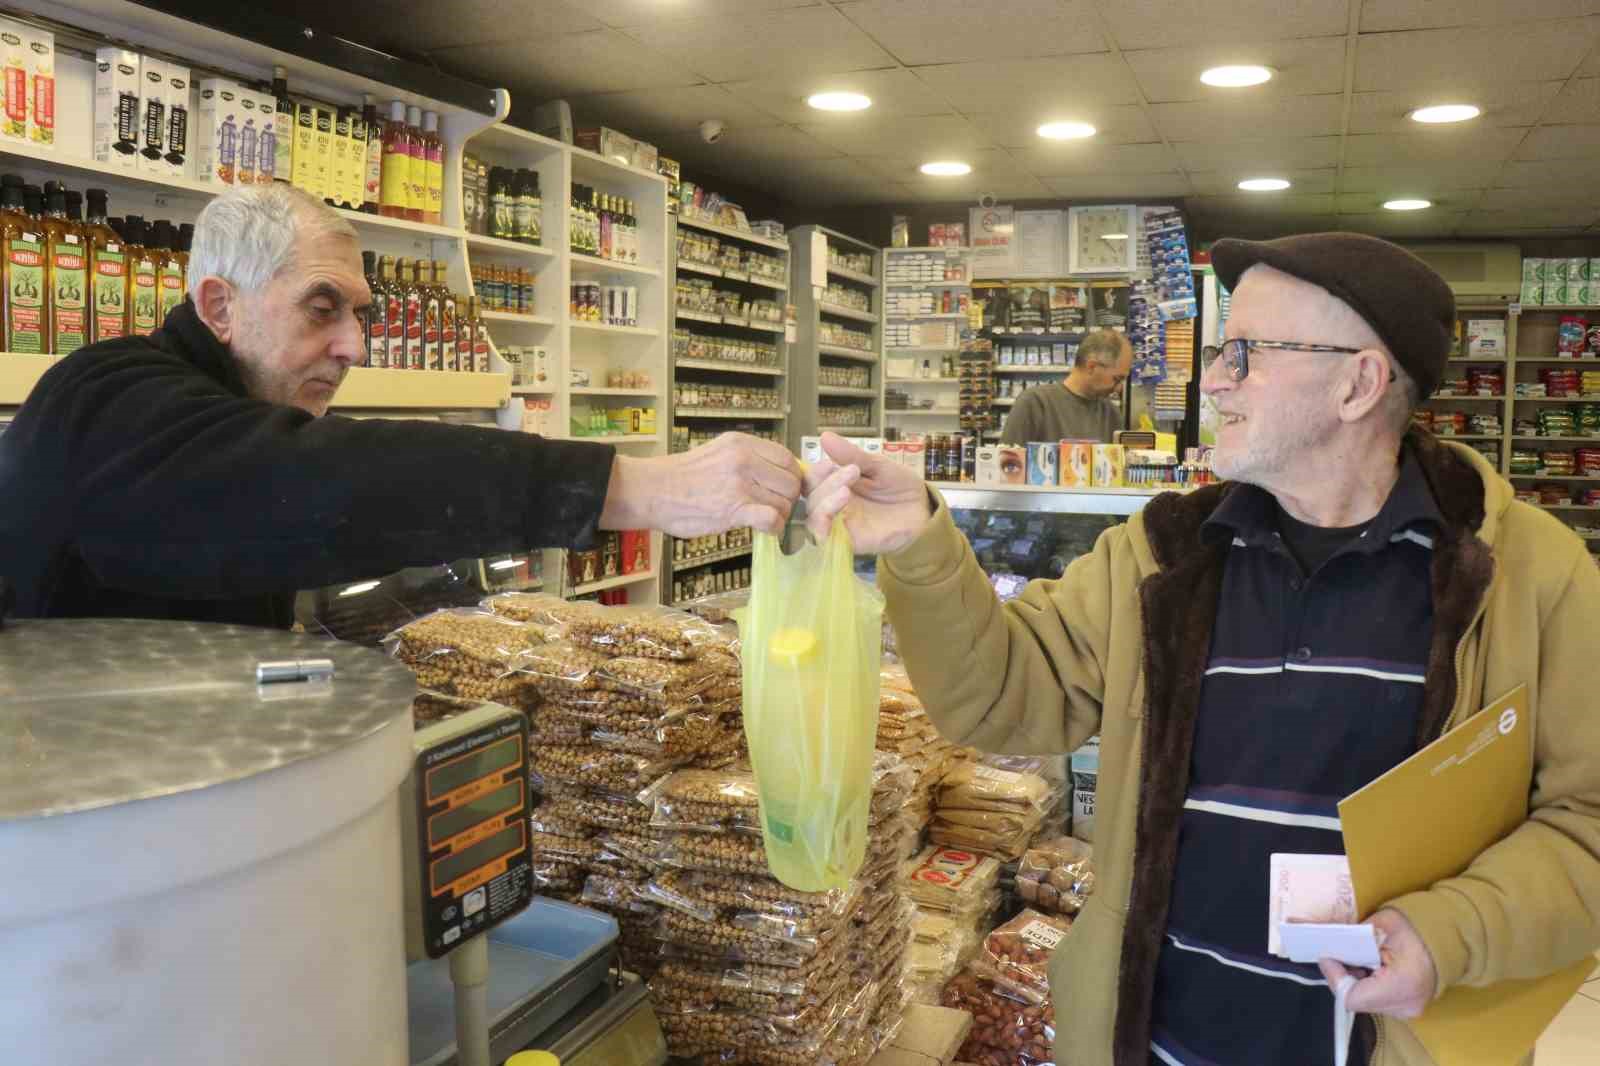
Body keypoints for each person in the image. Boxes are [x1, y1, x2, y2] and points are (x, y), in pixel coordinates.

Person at [803, 233, 1600, 1066]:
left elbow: (1587, 821)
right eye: (1222, 352)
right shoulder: (1162, 556)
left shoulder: (1526, 577)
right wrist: (920, 543)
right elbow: (999, 696)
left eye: (1246, 353)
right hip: (1157, 1042)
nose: (1214, 379)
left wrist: (1452, 932)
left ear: (1359, 384)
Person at [0, 184, 802, 626]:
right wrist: (640, 487)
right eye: (323, 309)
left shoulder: (232, 405)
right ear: (219, 305)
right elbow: (313, 485)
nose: (354, 346)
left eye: (360, 315)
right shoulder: (105, 398)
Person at [999, 328, 1131, 445]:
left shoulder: (1111, 413)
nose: (1119, 388)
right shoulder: (1034, 403)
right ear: (1091, 367)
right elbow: (1007, 461)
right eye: (1116, 379)